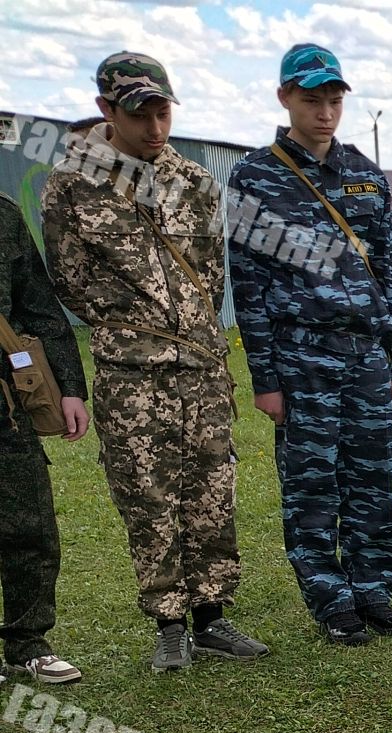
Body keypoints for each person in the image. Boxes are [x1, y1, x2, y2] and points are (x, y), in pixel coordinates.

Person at [43, 53, 267, 672]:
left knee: (212, 489)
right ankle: (169, 623)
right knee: (147, 495)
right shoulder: (72, 183)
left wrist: (194, 333)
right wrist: (131, 323)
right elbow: (69, 276)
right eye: (140, 114)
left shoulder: (195, 183)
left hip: (201, 365)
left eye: (163, 112)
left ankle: (214, 617)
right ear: (106, 111)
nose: (155, 127)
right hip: (130, 370)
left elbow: (212, 273)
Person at [227, 44, 392, 645]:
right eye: (312, 100)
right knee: (312, 483)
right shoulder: (256, 175)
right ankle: (331, 600)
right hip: (301, 355)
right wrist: (266, 379)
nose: (326, 112)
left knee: (373, 478)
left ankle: (375, 591)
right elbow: (248, 283)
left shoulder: (362, 173)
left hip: (366, 355)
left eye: (334, 101)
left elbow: (390, 270)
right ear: (285, 98)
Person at [0, 194, 90, 684]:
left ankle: (27, 642)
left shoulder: (4, 215)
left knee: (29, 525)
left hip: (8, 405)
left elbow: (40, 308)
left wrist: (71, 390)